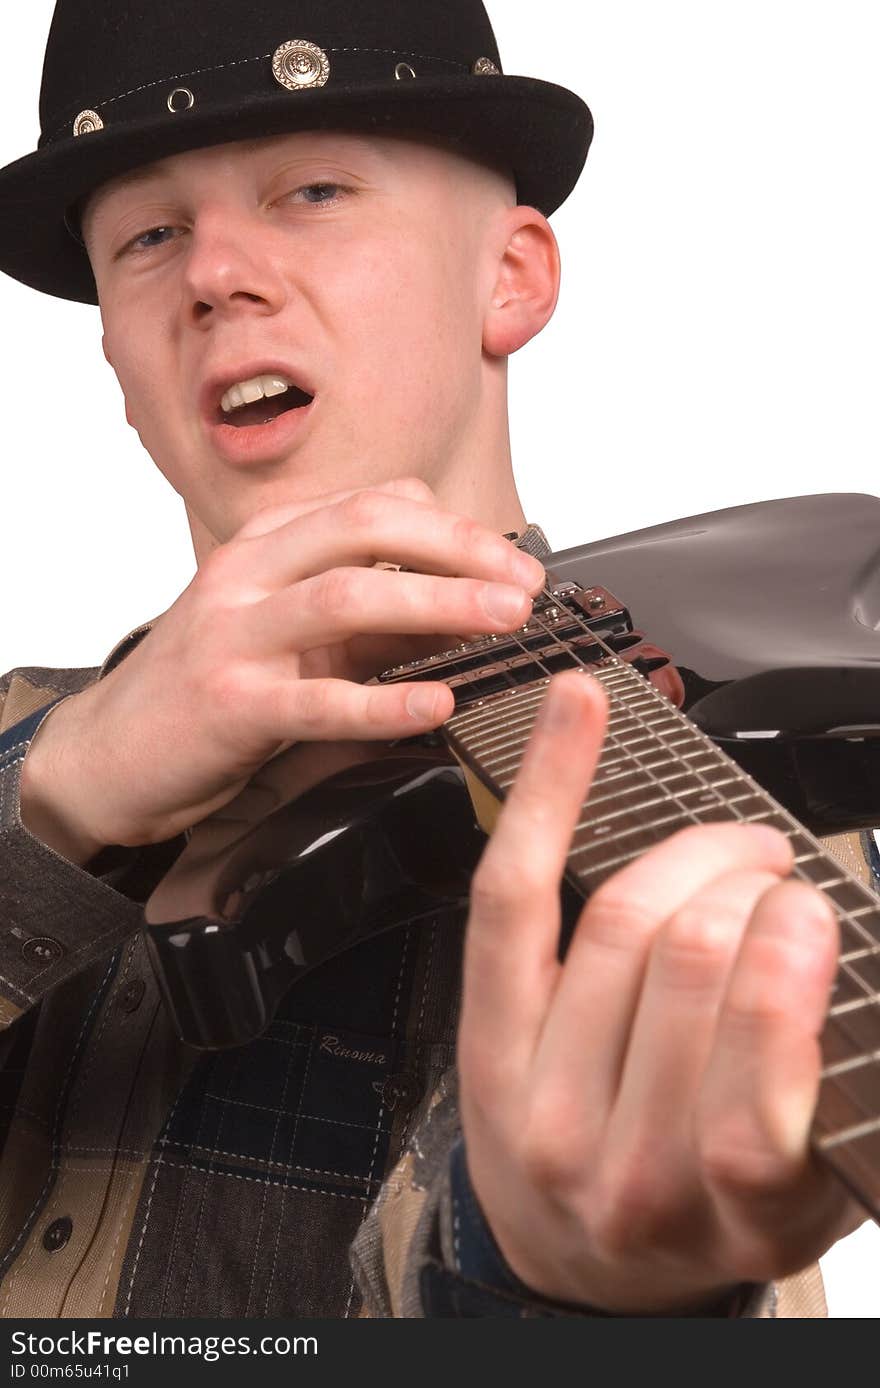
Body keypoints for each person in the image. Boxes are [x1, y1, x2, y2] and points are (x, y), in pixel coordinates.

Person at [0, 0, 869, 1319]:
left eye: (313, 191)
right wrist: (56, 796)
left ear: (511, 277)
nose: (214, 273)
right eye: (148, 235)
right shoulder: (20, 729)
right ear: (117, 359)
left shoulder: (723, 770)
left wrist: (547, 1280)